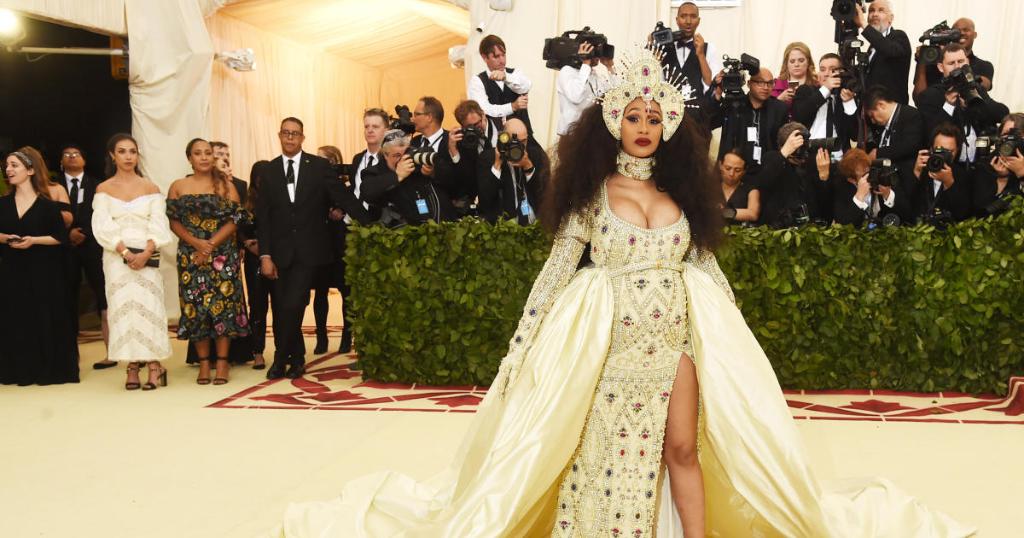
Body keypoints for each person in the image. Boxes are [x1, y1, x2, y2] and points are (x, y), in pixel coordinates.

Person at [273, 46, 974, 538]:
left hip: (676, 335)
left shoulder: (683, 191)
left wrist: (735, 338)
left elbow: (706, 267)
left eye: (653, 117)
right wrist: (521, 346)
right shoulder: (590, 192)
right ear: (614, 121)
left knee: (682, 449)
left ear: (668, 124)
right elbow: (557, 270)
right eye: (632, 116)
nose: (643, 127)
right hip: (608, 339)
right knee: (597, 448)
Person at [257, 117, 370, 380]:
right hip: (279, 252)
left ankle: (280, 358)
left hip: (309, 251)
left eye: (295, 133)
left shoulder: (318, 167)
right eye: (286, 133)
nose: (290, 137)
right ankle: (296, 359)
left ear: (302, 138)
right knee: (284, 306)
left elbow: (343, 197)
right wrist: (265, 255)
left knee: (294, 303)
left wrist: (371, 223)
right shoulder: (269, 171)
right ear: (279, 135)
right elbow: (264, 217)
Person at [91, 133, 173, 390]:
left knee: (149, 306)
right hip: (116, 257)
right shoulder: (103, 189)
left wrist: (146, 252)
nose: (128, 156)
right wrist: (125, 253)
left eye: (132, 151)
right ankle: (132, 365)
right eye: (122, 151)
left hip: (147, 254)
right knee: (123, 308)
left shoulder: (150, 188)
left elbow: (159, 225)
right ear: (112, 155)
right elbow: (102, 227)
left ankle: (155, 365)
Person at [167, 139, 250, 385]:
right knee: (196, 308)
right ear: (189, 158)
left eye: (207, 153)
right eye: (197, 153)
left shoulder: (226, 185)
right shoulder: (178, 186)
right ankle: (204, 363)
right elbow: (173, 221)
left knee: (224, 308)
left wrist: (210, 244)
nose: (203, 157)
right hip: (191, 255)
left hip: (222, 255)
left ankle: (222, 362)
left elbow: (236, 219)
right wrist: (196, 243)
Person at [0, 148, 77, 386]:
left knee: (43, 315)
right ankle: (20, 369)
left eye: (14, 165)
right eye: (7, 165)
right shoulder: (2, 204)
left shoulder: (48, 206)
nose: (8, 169)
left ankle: (48, 368)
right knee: (16, 317)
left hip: (43, 270)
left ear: (30, 170)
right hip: (12, 270)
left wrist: (33, 240)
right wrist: (6, 238)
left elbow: (60, 238)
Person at [55, 144, 111, 368]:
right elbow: (50, 215)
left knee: (103, 293)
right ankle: (69, 353)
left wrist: (84, 232)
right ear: (61, 161)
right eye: (66, 154)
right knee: (66, 295)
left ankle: (112, 351)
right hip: (63, 247)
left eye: (76, 154)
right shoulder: (53, 186)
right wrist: (68, 233)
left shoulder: (97, 184)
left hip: (93, 246)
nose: (71, 157)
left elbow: (101, 214)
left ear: (84, 160)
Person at [914, 44, 1008, 164]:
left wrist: (976, 99)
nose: (957, 66)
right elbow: (930, 133)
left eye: (961, 61)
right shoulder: (930, 95)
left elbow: (1002, 113)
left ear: (967, 62)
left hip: (978, 164)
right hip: (949, 164)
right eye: (951, 63)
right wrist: (949, 105)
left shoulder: (976, 88)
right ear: (941, 67)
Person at [360, 129, 457, 226]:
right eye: (397, 155)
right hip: (396, 231)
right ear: (385, 155)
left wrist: (432, 173)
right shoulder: (373, 172)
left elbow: (453, 183)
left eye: (405, 153)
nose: (403, 159)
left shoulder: (417, 166)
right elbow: (367, 192)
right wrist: (397, 176)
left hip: (434, 226)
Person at [709, 67, 789, 183]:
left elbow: (783, 142)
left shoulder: (779, 109)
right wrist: (717, 95)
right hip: (734, 173)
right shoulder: (733, 104)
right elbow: (710, 123)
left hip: (766, 173)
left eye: (770, 83)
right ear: (749, 83)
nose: (766, 87)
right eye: (760, 83)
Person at [757, 122, 833, 226]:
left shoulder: (812, 165)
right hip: (779, 227)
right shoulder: (772, 158)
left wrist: (823, 177)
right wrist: (785, 152)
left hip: (809, 227)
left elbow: (825, 205)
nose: (803, 150)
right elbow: (764, 182)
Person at [311, 144, 347, 355]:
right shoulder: (313, 185)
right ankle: (321, 337)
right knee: (320, 292)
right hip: (320, 243)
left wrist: (341, 210)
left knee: (345, 292)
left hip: (341, 244)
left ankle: (347, 336)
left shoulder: (345, 184)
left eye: (321, 159)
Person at [477, 118, 547, 224]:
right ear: (504, 139)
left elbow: (544, 194)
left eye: (524, 141)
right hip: (502, 226)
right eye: (516, 142)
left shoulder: (536, 155)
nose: (521, 146)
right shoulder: (487, 158)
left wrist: (528, 167)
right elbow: (485, 199)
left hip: (533, 223)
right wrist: (497, 165)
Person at [238, 161, 272, 368]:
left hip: (277, 257)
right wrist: (246, 243)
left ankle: (285, 349)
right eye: (260, 176)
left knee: (281, 306)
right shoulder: (245, 201)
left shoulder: (279, 198)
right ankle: (257, 351)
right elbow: (237, 228)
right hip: (253, 259)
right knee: (258, 306)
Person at [792, 53, 859, 154]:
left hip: (839, 155)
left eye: (833, 69)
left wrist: (848, 103)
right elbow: (799, 116)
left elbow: (854, 135)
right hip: (810, 153)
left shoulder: (846, 96)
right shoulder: (805, 91)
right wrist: (826, 89)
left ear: (842, 73)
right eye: (822, 70)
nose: (826, 74)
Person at [914, 17, 994, 97]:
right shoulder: (932, 62)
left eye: (966, 30)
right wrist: (922, 61)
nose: (961, 33)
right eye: (956, 31)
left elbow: (986, 86)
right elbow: (918, 97)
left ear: (975, 34)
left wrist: (966, 73)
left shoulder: (984, 65)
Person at [910, 123, 973, 224]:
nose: (943, 155)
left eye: (949, 151)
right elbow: (906, 206)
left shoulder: (963, 175)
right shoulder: (920, 168)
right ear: (931, 149)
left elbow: (962, 214)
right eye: (939, 150)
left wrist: (949, 183)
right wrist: (916, 173)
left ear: (958, 151)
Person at [468, 35, 532, 133]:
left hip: (524, 136)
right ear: (484, 57)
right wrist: (512, 107)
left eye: (503, 55)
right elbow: (484, 109)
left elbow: (526, 86)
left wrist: (506, 77)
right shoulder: (477, 81)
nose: (502, 61)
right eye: (496, 56)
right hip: (495, 138)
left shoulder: (515, 73)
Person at [853, 0, 912, 105]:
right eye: (871, 11)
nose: (875, 14)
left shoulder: (898, 36)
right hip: (870, 107)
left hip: (891, 108)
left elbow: (889, 50)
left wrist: (863, 24)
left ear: (891, 18)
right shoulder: (873, 46)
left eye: (881, 11)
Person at [831, 148, 908, 226]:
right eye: (864, 175)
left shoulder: (882, 175)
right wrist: (859, 197)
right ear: (852, 180)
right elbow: (843, 223)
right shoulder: (841, 188)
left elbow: (906, 214)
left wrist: (888, 195)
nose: (870, 176)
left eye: (869, 171)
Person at [556, 41, 615, 136]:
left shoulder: (592, 74)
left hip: (589, 133)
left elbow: (614, 94)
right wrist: (586, 63)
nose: (597, 55)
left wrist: (610, 67)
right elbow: (576, 97)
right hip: (570, 134)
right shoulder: (567, 71)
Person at [973, 113, 1024, 217]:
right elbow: (980, 209)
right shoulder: (988, 163)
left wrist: (1021, 173)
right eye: (1005, 134)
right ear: (999, 137)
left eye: (1016, 135)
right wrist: (1002, 179)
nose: (1010, 139)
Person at [771, 42, 816, 117]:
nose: (796, 64)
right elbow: (765, 114)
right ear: (786, 63)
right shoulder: (774, 85)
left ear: (808, 62)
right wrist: (779, 100)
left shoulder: (817, 84)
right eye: (792, 61)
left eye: (801, 60)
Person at [718, 149, 760, 223]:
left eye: (737, 170)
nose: (731, 173)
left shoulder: (751, 189)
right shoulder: (710, 185)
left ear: (744, 171)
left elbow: (753, 214)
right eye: (728, 168)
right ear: (720, 165)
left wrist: (725, 212)